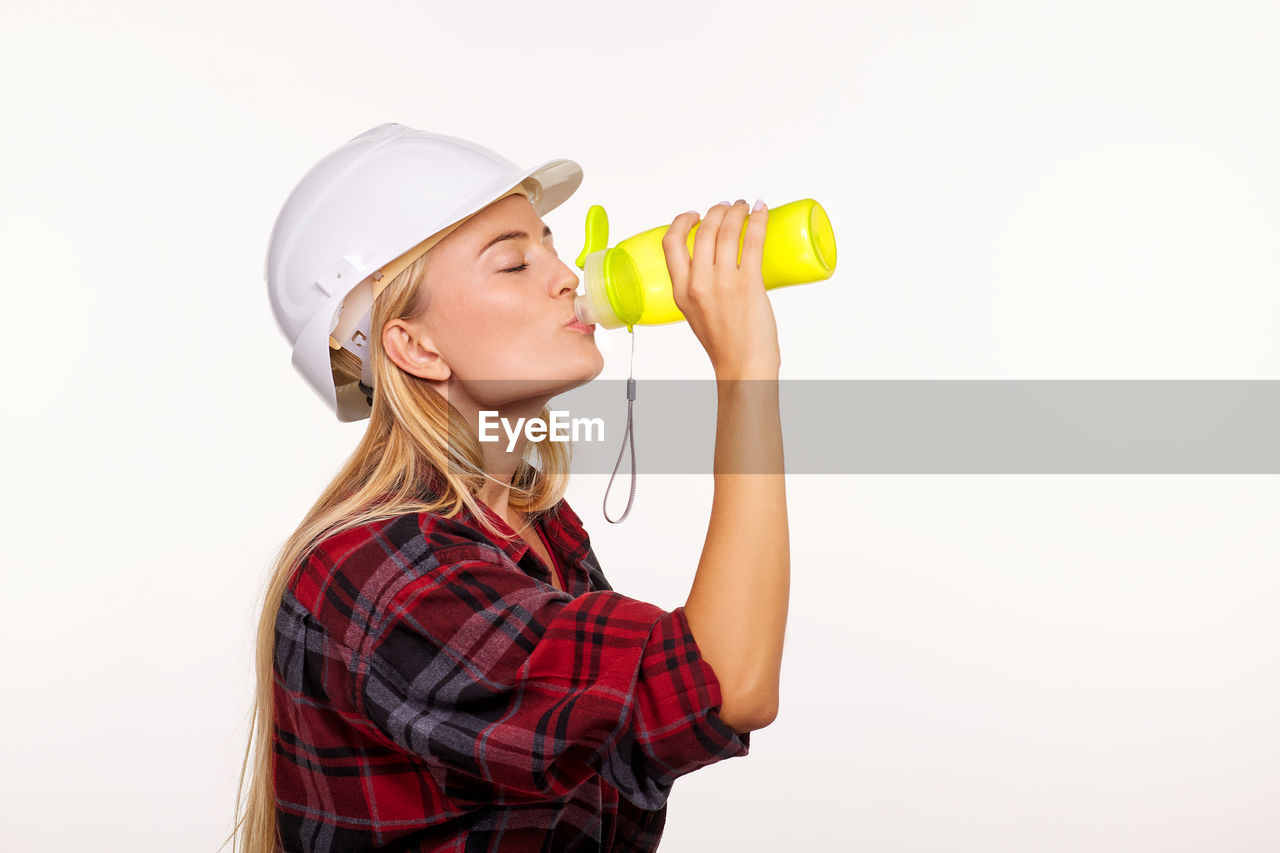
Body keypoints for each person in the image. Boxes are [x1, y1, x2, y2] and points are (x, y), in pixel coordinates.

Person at [232, 123, 789, 852]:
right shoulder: (383, 571)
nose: (566, 274)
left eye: (551, 244)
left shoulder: (536, 528)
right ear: (415, 346)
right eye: (514, 265)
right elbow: (721, 683)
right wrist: (746, 376)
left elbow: (632, 741)